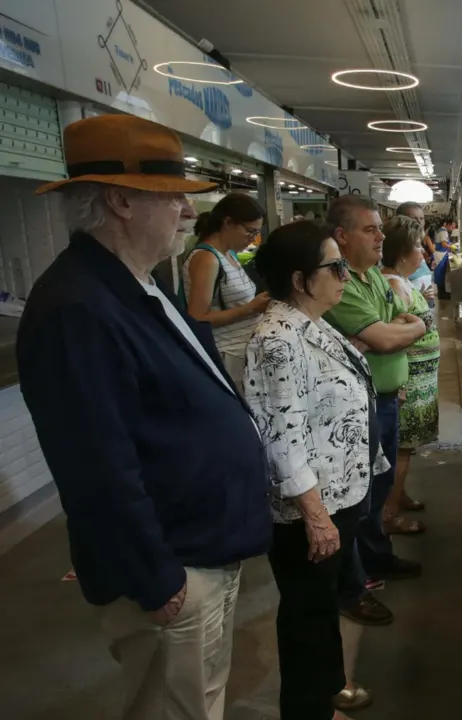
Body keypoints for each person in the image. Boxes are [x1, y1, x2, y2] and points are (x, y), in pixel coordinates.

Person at [17, 114, 271, 720]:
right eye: (174, 199)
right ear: (120, 201)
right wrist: (156, 579)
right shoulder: (76, 307)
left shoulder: (135, 283)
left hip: (202, 549)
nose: (188, 214)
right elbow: (95, 465)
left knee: (197, 701)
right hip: (173, 571)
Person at [244, 221, 383, 720]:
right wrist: (316, 515)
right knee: (306, 614)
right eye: (335, 266)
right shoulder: (277, 338)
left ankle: (329, 689)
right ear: (302, 279)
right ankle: (306, 709)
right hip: (309, 510)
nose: (346, 275)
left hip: (336, 496)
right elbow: (282, 437)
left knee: (322, 605)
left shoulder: (311, 322)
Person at [323, 196, 426, 616]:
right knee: (354, 498)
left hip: (384, 397)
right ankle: (353, 585)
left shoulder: (371, 278)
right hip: (352, 406)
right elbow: (386, 337)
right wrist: (392, 331)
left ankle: (377, 556)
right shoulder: (341, 282)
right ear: (342, 237)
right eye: (371, 229)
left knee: (379, 488)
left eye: (381, 229)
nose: (381, 237)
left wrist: (398, 329)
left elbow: (407, 317)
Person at [380, 216, 441, 530]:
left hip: (420, 376)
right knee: (401, 449)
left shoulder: (400, 281)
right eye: (418, 246)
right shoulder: (392, 284)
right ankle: (389, 515)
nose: (423, 252)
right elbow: (393, 333)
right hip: (410, 379)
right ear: (403, 253)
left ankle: (398, 496)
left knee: (407, 447)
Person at [183, 192, 271, 385]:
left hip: (243, 352)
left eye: (257, 233)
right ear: (228, 223)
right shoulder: (207, 258)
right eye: (250, 231)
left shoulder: (229, 254)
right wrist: (249, 308)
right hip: (227, 354)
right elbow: (197, 318)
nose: (253, 238)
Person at [395, 202, 439, 305]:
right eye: (414, 219)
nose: (419, 222)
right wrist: (419, 298)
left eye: (421, 218)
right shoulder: (399, 252)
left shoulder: (418, 245)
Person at [431, 217, 457, 299]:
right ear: (448, 225)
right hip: (441, 256)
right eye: (452, 227)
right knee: (440, 275)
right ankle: (441, 294)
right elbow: (444, 244)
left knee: (441, 275)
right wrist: (452, 247)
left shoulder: (441, 230)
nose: (452, 229)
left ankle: (442, 293)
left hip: (441, 255)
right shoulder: (443, 232)